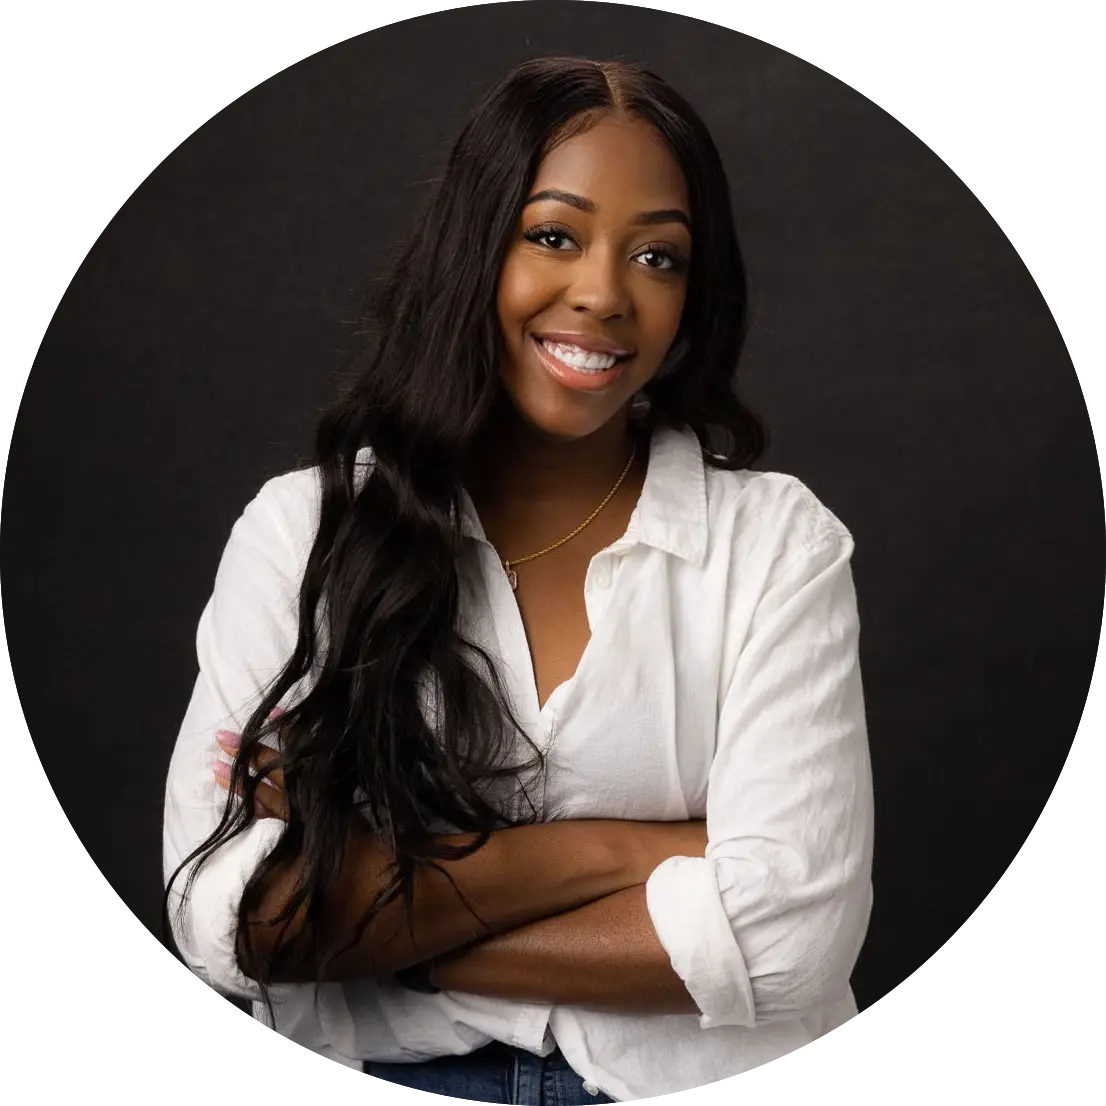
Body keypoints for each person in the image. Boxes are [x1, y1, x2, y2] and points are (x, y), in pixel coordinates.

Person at [162, 54, 874, 1104]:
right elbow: (231, 916)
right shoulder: (304, 531)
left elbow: (785, 939)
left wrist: (379, 934)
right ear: (472, 247)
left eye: (658, 257)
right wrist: (635, 850)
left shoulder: (775, 545)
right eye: (552, 234)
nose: (602, 293)